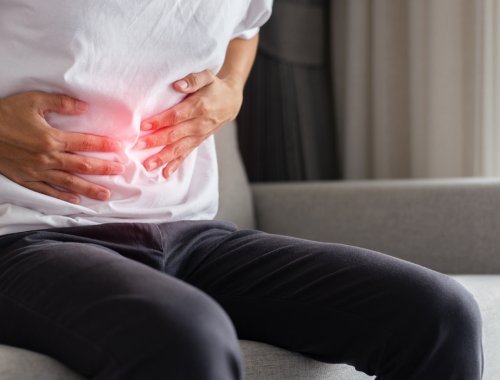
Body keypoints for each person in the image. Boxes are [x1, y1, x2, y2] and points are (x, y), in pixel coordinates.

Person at [0, 1, 483, 379]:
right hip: (23, 234)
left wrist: (231, 88)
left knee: (437, 315)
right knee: (186, 336)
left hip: (186, 231)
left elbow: (244, 29)